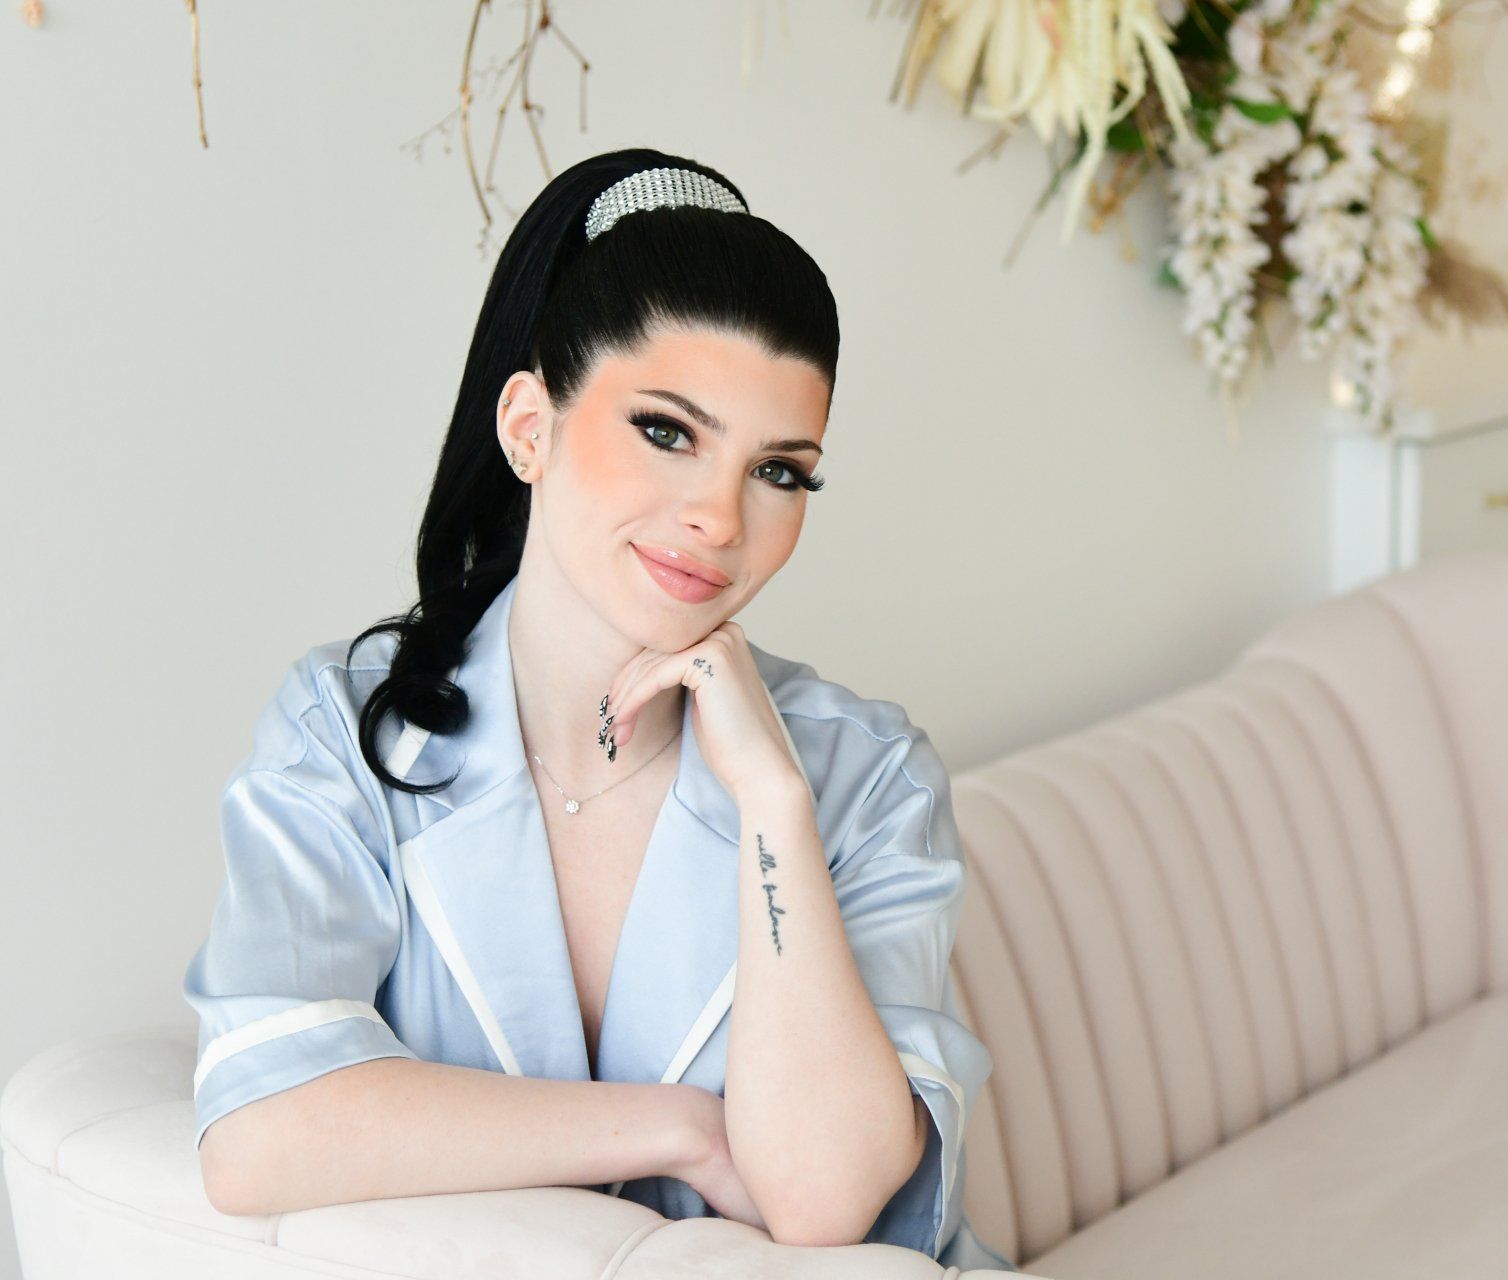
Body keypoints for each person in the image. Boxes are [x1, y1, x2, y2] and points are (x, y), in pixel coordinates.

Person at [182, 147, 1014, 1272]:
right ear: (529, 426)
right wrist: (672, 1122)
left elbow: (822, 1197)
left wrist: (773, 805)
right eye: (667, 430)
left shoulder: (864, 775)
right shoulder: (345, 728)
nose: (719, 517)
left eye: (781, 471)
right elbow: (259, 1131)